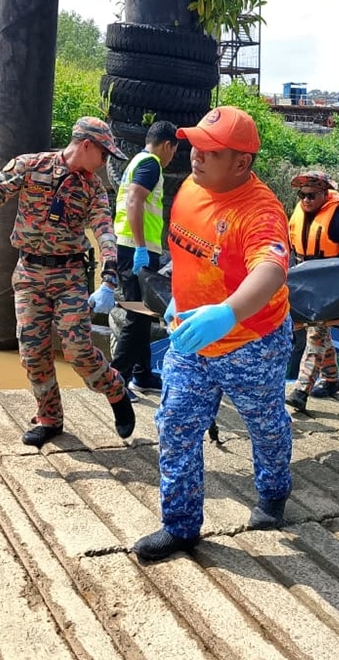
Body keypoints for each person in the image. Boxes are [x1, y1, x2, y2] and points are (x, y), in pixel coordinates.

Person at [132, 106, 294, 562]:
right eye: (194, 145)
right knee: (176, 427)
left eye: (209, 150)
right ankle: (180, 527)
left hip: (251, 342)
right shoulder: (190, 187)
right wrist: (180, 302)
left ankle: (273, 491)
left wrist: (226, 312)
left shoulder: (260, 211)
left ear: (241, 163)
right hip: (191, 339)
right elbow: (187, 254)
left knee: (264, 425)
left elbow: (271, 268)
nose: (195, 156)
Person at [0, 117, 136, 448]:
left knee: (79, 351)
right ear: (86, 145)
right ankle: (49, 417)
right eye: (104, 154)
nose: (105, 162)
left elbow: (104, 231)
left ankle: (116, 391)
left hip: (69, 276)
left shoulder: (93, 188)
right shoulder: (30, 167)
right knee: (33, 352)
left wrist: (109, 281)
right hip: (29, 275)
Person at [99, 120, 179, 400]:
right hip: (136, 249)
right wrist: (142, 248)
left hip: (130, 246)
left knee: (144, 314)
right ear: (168, 145)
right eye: (173, 152)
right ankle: (116, 377)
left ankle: (142, 374)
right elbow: (134, 200)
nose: (171, 159)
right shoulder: (152, 164)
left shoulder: (137, 161)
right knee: (138, 314)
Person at [285, 170, 339, 411]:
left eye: (311, 195)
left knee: (315, 334)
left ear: (324, 194)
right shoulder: (298, 215)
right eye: (302, 194)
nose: (306, 200)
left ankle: (301, 390)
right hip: (303, 286)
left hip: (330, 289)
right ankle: (331, 381)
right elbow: (288, 250)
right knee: (320, 334)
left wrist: (338, 286)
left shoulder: (337, 220)